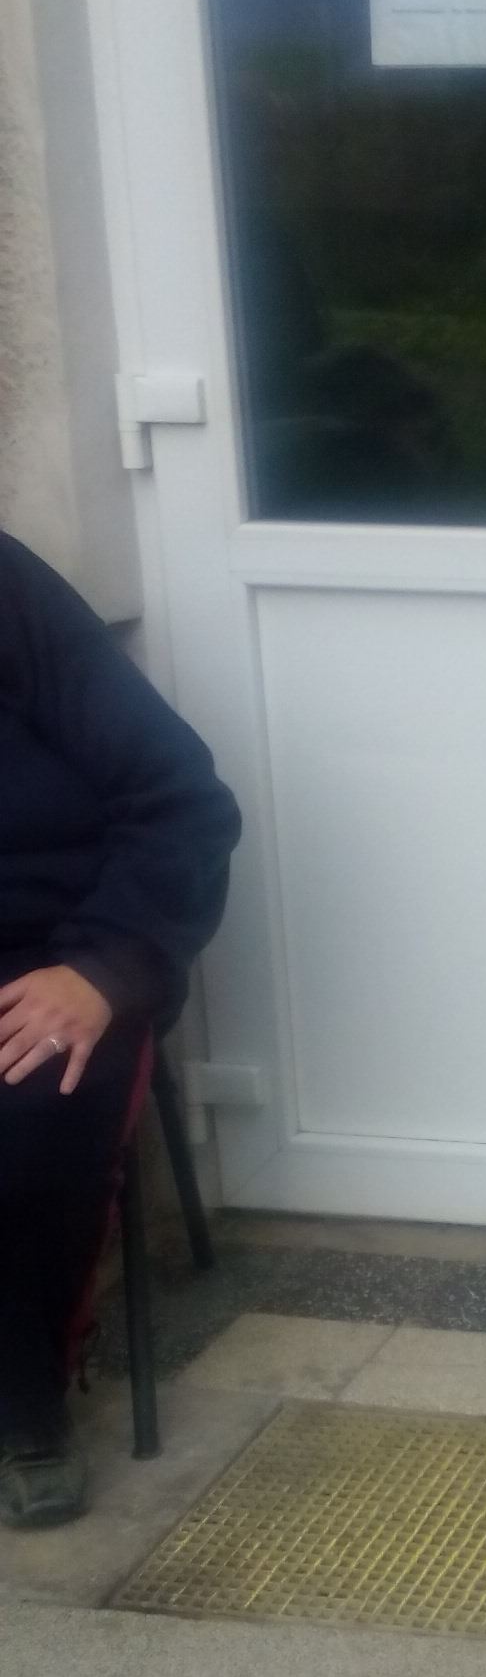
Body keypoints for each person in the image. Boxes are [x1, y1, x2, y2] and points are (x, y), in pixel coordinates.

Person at [0, 529, 240, 1528]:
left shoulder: (10, 592)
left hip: (58, 950)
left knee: (27, 1100)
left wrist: (100, 968)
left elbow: (182, 800)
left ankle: (23, 1403)